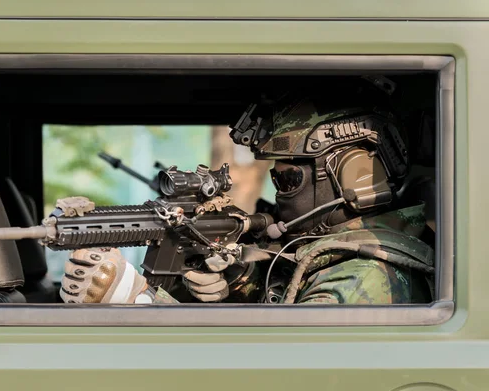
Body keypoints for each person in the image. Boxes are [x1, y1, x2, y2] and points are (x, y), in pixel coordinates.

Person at [59, 76, 436, 305]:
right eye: (275, 178)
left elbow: (272, 374)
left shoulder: (365, 276)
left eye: (288, 179)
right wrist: (240, 281)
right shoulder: (330, 253)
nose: (278, 194)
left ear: (352, 176)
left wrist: (143, 305)